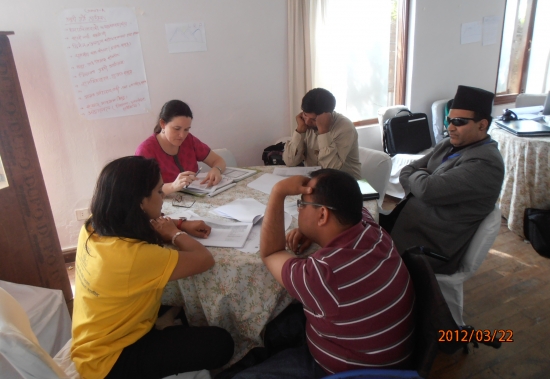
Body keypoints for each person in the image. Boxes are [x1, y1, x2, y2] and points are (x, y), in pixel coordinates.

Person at [234, 169, 415, 378]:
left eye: (301, 205)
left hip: (351, 371)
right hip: (386, 353)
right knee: (276, 326)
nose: (299, 209)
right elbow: (357, 207)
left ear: (322, 215)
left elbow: (272, 253)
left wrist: (278, 192)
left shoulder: (322, 275)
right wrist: (312, 229)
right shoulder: (372, 230)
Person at [71, 156, 234, 379]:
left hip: (91, 344)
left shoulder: (94, 226)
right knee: (221, 343)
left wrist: (180, 223)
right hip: (112, 363)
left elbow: (143, 223)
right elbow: (204, 259)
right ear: (140, 202)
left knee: (177, 304)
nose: (162, 198)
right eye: (159, 192)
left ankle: (164, 325)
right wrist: (175, 234)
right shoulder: (134, 256)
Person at [380, 85, 505, 274]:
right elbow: (407, 171)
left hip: (427, 247)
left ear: (482, 124)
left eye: (459, 121)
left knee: (360, 261)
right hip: (405, 223)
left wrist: (423, 180)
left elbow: (427, 190)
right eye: (449, 120)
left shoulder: (486, 163)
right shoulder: (449, 144)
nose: (450, 127)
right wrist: (423, 178)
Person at [136, 99, 227, 195]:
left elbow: (218, 160)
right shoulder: (146, 150)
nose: (182, 135)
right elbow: (143, 190)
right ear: (162, 124)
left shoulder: (189, 140)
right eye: (177, 129)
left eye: (186, 129)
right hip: (165, 204)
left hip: (195, 199)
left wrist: (216, 169)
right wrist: (173, 186)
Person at [282, 88, 361, 179]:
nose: (307, 122)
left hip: (346, 183)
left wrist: (323, 131)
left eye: (313, 119)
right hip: (317, 181)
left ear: (327, 116)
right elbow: (290, 162)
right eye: (305, 115)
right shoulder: (305, 124)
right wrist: (300, 130)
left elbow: (331, 170)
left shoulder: (345, 127)